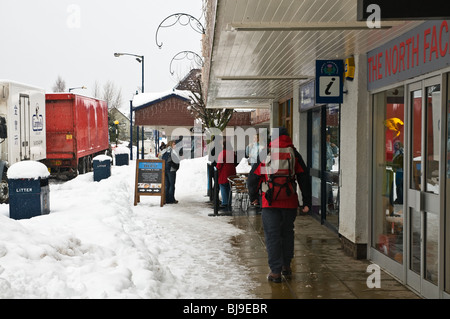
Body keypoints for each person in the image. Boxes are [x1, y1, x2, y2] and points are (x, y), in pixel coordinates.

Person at [248, 127, 311, 283]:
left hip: (269, 202)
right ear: (287, 137)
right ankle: (286, 266)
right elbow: (304, 178)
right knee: (287, 232)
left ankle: (275, 272)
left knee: (272, 235)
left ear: (272, 138)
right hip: (289, 201)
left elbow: (253, 178)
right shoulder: (294, 154)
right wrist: (306, 202)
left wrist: (254, 196)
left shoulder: (265, 154)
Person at [215, 138, 237, 212]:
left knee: (223, 186)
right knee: (229, 187)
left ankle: (225, 202)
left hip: (224, 172)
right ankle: (229, 202)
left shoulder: (223, 153)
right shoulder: (232, 152)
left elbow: (219, 163)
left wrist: (217, 168)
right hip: (232, 172)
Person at [162, 140, 180, 204]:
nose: (175, 145)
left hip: (164, 170)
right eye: (174, 144)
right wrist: (176, 167)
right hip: (171, 170)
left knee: (167, 185)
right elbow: (176, 160)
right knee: (172, 185)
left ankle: (166, 199)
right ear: (171, 144)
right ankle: (171, 199)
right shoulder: (173, 151)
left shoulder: (164, 151)